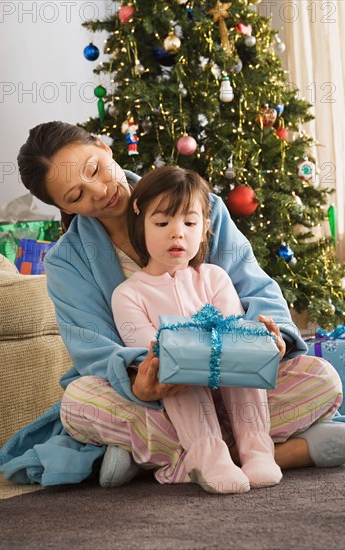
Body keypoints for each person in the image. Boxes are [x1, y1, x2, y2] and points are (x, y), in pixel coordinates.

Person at [0, 121, 345, 488]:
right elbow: (92, 348)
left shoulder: (199, 205)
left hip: (237, 376)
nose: (99, 191)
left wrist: (270, 337)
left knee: (322, 379)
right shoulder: (68, 260)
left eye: (94, 169)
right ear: (63, 207)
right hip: (157, 396)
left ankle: (170, 459)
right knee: (79, 403)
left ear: (104, 147)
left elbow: (254, 286)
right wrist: (145, 380)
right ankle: (270, 451)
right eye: (76, 196)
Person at [111, 166, 283, 494]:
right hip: (178, 388)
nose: (177, 234)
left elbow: (232, 329)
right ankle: (209, 457)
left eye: (189, 223)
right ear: (141, 225)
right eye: (162, 223)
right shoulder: (129, 294)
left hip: (228, 378)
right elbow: (148, 349)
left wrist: (258, 340)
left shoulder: (214, 277)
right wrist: (187, 352)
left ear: (205, 228)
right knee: (175, 366)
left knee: (241, 353)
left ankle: (258, 449)